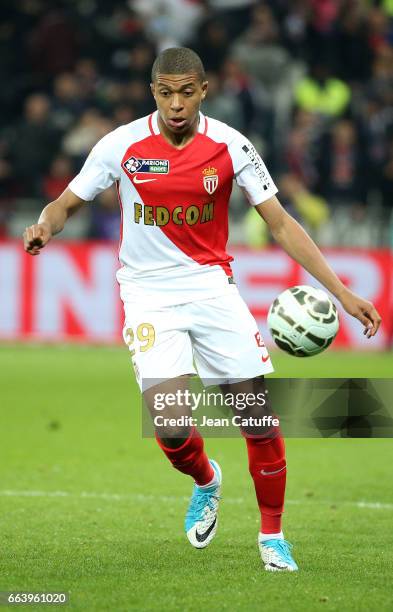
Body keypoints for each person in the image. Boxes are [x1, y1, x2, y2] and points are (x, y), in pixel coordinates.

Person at [23, 47, 381, 572]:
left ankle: (272, 536)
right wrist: (43, 227)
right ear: (152, 92)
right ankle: (207, 479)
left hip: (212, 289)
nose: (176, 103)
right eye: (165, 92)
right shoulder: (120, 145)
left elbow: (280, 223)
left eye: (186, 92)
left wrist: (343, 291)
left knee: (256, 416)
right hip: (147, 295)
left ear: (204, 90)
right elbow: (66, 203)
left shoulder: (232, 146)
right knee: (169, 425)